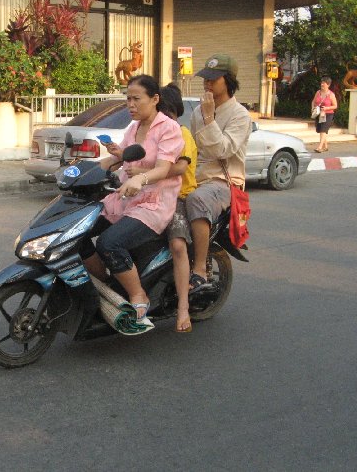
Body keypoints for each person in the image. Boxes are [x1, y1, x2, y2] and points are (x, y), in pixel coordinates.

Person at [81, 75, 184, 329]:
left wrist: (142, 179)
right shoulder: (133, 128)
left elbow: (163, 168)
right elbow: (120, 159)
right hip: (124, 197)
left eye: (136, 99)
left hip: (153, 201)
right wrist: (81, 173)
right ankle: (107, 283)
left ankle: (138, 294)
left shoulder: (169, 128)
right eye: (128, 99)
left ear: (155, 99)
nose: (131, 105)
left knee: (109, 243)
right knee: (78, 233)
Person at [126, 83, 197, 333]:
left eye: (166, 111)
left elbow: (176, 169)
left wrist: (141, 173)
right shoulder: (143, 130)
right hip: (151, 193)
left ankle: (183, 308)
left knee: (177, 245)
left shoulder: (180, 133)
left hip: (178, 196)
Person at [186, 54, 252, 292]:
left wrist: (208, 118)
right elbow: (192, 149)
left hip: (224, 182)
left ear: (229, 80)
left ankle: (200, 269)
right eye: (206, 78)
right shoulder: (196, 113)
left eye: (214, 79)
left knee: (197, 199)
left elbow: (223, 150)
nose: (208, 83)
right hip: (196, 178)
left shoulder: (240, 115)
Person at [312, 76, 338, 152]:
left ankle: (320, 147)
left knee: (323, 130)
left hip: (328, 114)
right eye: (321, 82)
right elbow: (313, 101)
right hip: (319, 114)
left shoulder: (331, 94)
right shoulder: (318, 92)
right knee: (321, 130)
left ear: (328, 84)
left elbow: (335, 106)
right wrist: (312, 108)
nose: (322, 84)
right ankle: (325, 146)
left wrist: (327, 108)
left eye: (324, 83)